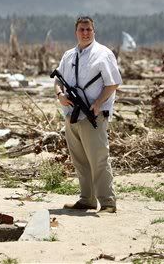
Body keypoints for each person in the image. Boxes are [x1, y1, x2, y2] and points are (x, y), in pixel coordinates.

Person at [54, 16, 122, 213]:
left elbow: (113, 83)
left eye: (88, 29)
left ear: (94, 31)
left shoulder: (103, 54)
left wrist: (98, 103)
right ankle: (87, 199)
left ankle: (108, 202)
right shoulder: (68, 55)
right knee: (80, 159)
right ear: (76, 32)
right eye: (82, 29)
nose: (85, 33)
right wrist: (60, 95)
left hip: (93, 114)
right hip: (70, 113)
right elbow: (57, 79)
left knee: (98, 158)